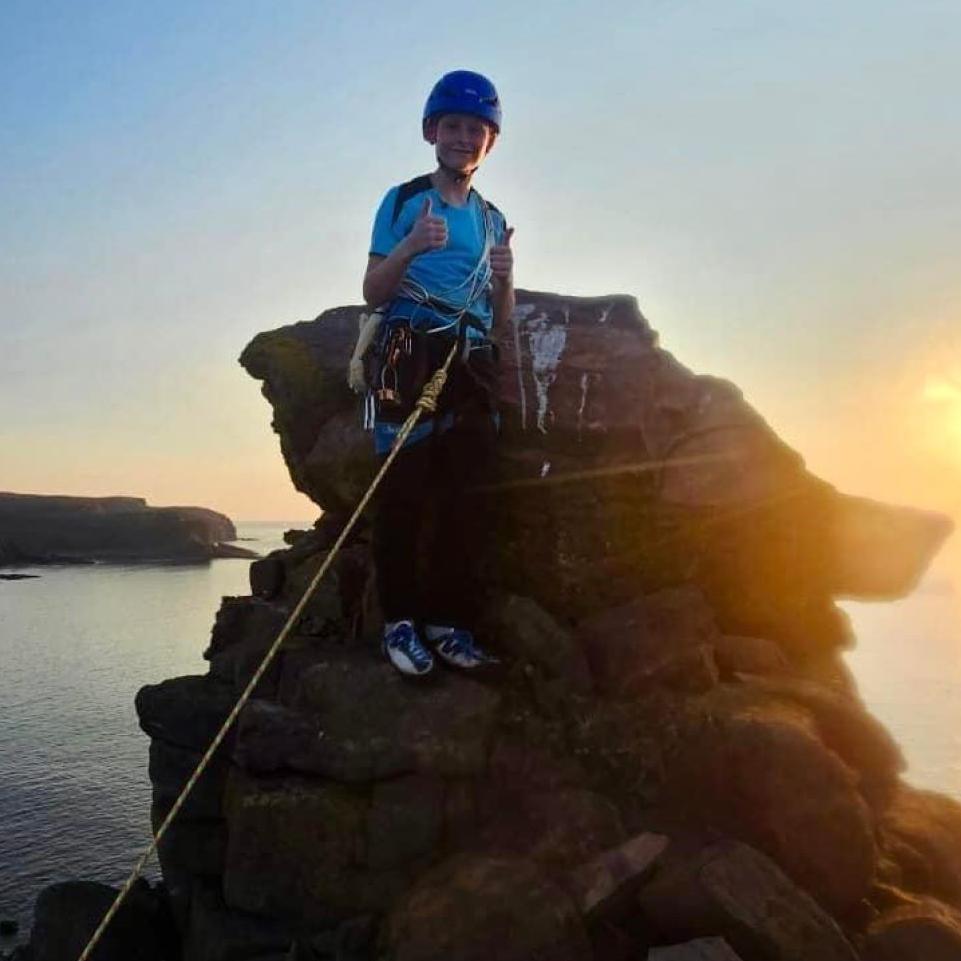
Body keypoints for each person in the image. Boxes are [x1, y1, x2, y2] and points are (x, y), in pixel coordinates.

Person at [362, 70, 515, 679]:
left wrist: (505, 277)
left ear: (489, 142)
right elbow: (373, 292)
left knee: (464, 503)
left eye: (475, 129)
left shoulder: (494, 219)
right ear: (432, 132)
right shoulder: (404, 201)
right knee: (401, 498)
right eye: (452, 126)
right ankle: (399, 622)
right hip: (409, 354)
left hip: (469, 364)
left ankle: (449, 625)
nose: (463, 138)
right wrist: (410, 249)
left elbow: (498, 321)